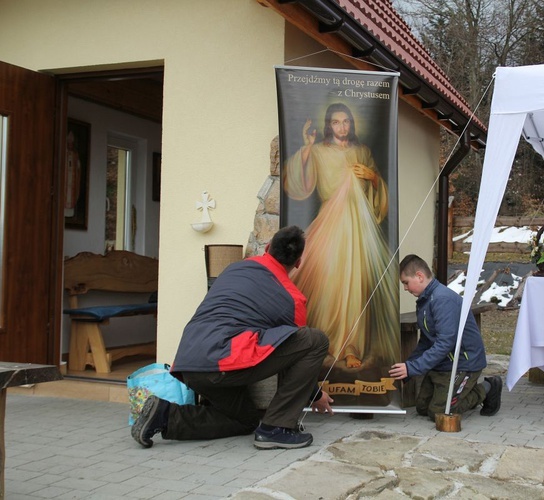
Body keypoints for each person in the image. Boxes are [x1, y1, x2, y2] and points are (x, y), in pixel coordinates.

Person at [131, 226, 334, 450]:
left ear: (267, 248)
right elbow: (296, 353)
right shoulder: (293, 299)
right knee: (315, 340)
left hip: (188, 363)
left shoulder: (234, 268)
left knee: (245, 420)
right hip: (221, 365)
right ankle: (277, 428)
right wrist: (314, 395)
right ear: (298, 262)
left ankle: (165, 415)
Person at [283, 102, 399, 370]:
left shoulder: (362, 151)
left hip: (359, 229)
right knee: (327, 282)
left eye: (346, 121)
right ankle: (322, 343)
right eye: (336, 122)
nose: (342, 127)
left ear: (351, 124)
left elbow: (380, 195)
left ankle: (351, 347)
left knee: (356, 285)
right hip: (329, 225)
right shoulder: (320, 152)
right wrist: (307, 148)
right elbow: (298, 183)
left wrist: (372, 177)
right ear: (328, 125)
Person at [390, 254, 503, 420]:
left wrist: (413, 368)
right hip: (443, 363)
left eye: (406, 282)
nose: (405, 288)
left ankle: (487, 388)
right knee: (422, 408)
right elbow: (426, 341)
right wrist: (408, 368)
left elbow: (445, 343)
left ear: (419, 276)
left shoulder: (442, 300)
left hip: (463, 363)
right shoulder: (424, 301)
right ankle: (459, 392)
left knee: (439, 413)